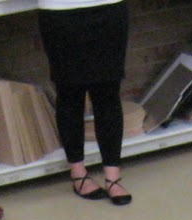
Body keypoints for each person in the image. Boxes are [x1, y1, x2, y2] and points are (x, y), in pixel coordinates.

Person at [38, 0, 132, 206]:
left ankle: (113, 176)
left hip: (109, 8)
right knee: (70, 92)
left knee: (108, 91)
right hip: (59, 12)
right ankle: (78, 174)